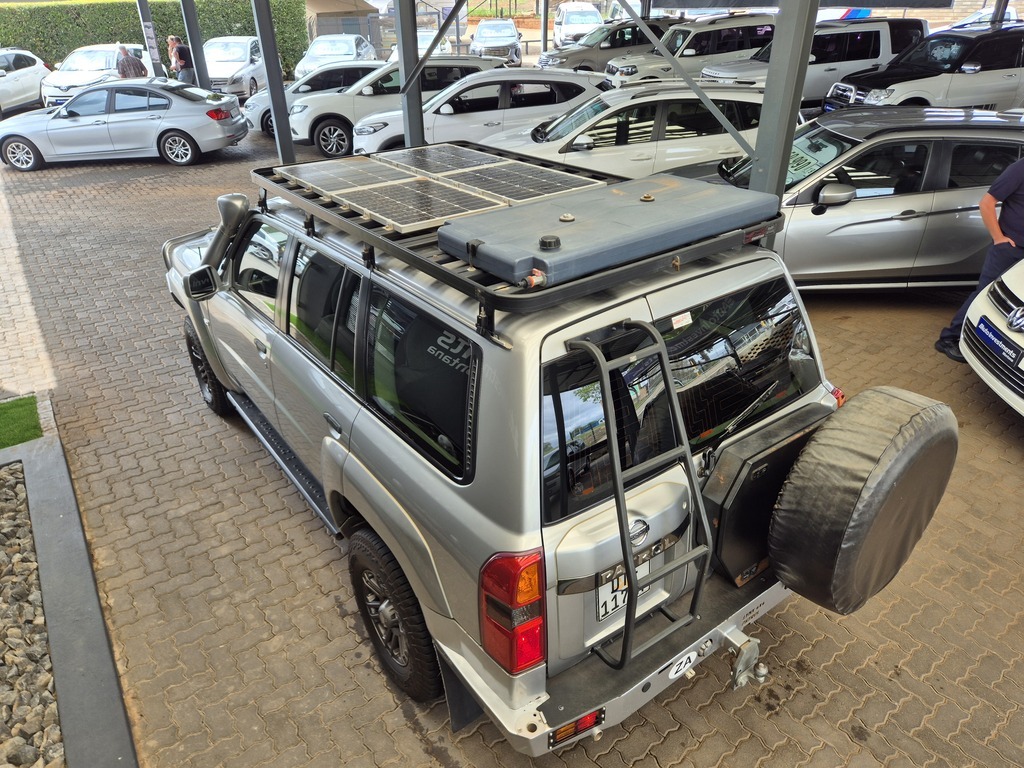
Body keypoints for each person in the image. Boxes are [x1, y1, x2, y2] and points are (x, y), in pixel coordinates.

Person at [935, 158, 1024, 363]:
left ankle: (995, 344)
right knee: (985, 293)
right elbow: (987, 202)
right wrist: (999, 239)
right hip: (1010, 250)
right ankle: (950, 338)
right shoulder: (1019, 169)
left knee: (1013, 301)